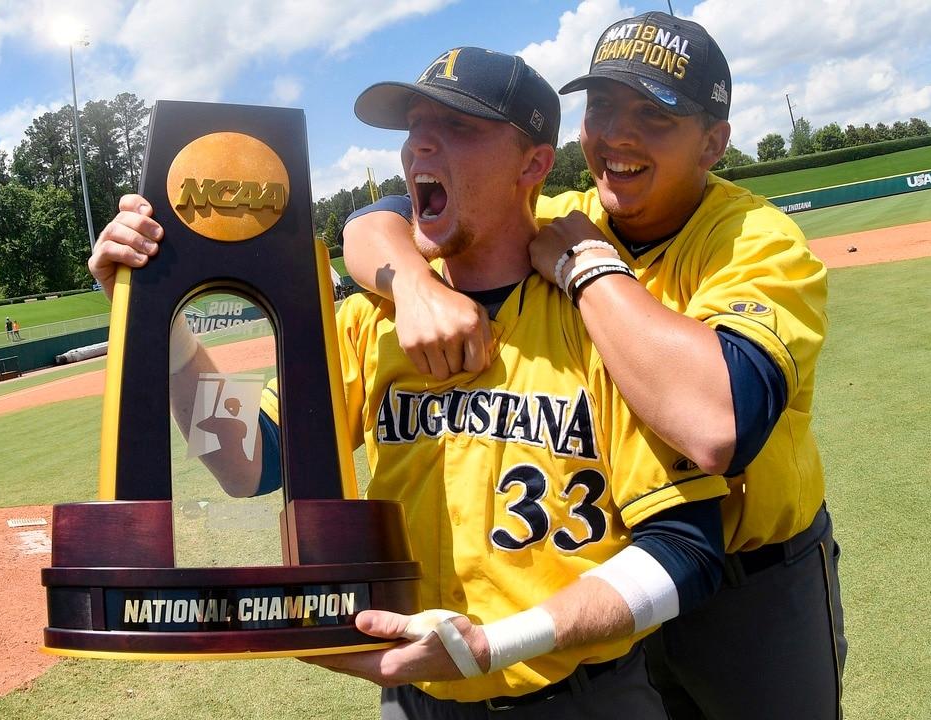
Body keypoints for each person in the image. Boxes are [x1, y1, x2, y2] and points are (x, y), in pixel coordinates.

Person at [89, 48, 740, 718]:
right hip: (415, 700)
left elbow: (683, 549)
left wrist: (492, 646)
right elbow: (242, 463)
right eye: (415, 125)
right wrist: (156, 322)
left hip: (583, 699)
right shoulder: (370, 320)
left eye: (459, 126)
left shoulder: (599, 319)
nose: (420, 144)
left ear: (534, 165)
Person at [342, 13, 844, 720]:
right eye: (601, 106)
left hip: (747, 580)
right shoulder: (566, 211)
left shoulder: (754, 240)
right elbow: (379, 220)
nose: (617, 136)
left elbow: (717, 427)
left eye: (654, 114)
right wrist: (415, 286)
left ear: (713, 142)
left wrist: (589, 271)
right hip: (607, 579)